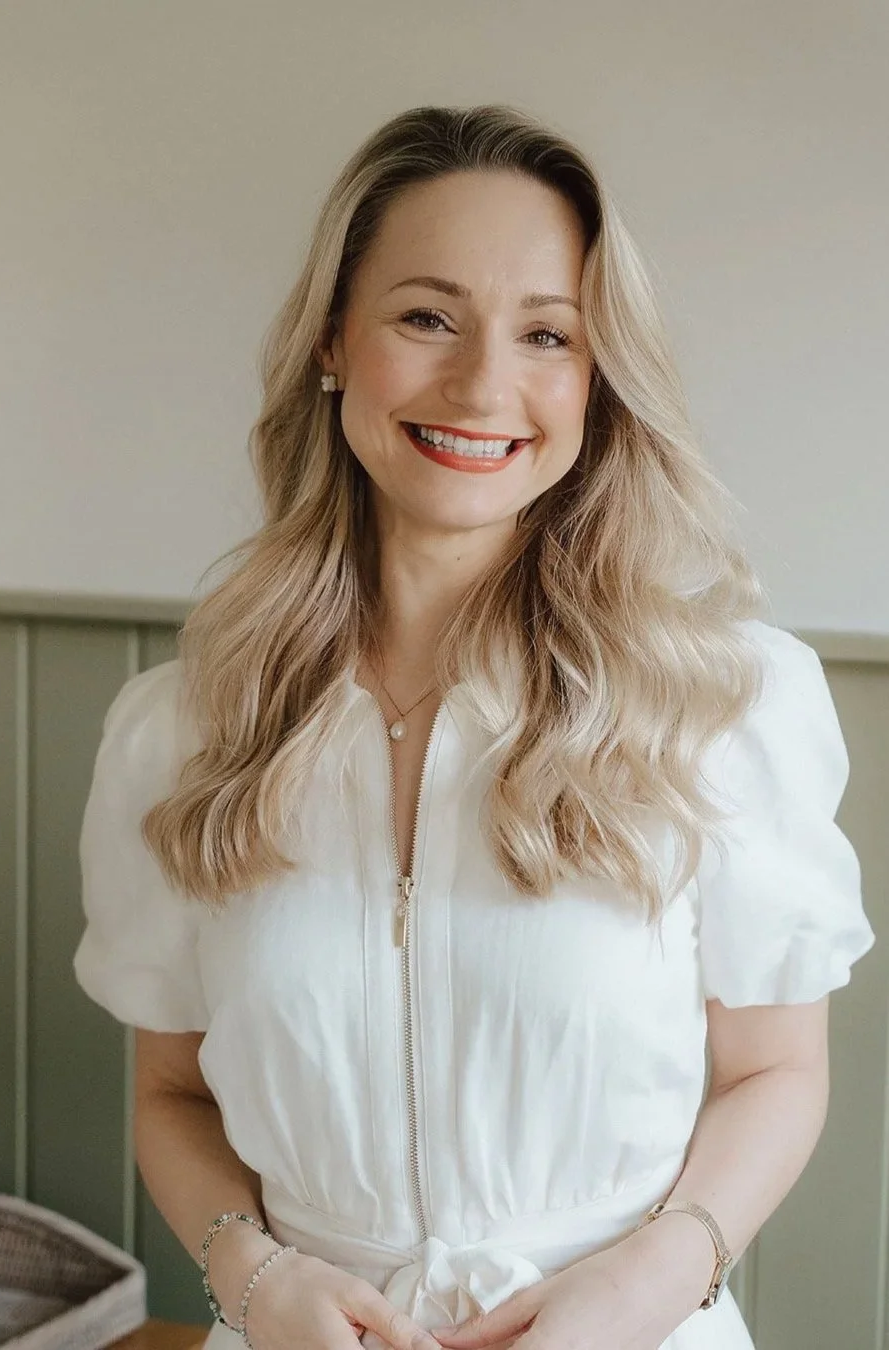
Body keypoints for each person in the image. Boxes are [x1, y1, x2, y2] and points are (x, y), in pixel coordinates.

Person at [73, 103, 875, 1350]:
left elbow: (779, 1071)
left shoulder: (720, 704)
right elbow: (172, 1091)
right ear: (334, 339)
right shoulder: (184, 729)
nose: (483, 385)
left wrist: (642, 1290)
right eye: (426, 317)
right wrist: (258, 1281)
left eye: (547, 333)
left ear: (597, 378)